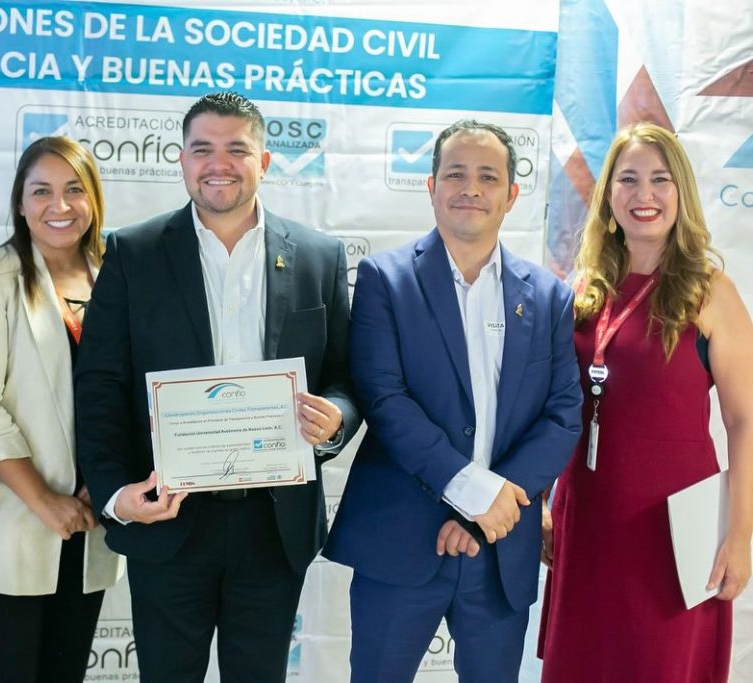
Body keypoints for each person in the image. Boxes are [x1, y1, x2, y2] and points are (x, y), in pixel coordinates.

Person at [74, 91, 360, 682]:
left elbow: (344, 376)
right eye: (202, 149)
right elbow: (100, 385)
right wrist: (114, 494)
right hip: (168, 520)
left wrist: (335, 419)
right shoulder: (133, 253)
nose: (218, 164)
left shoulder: (318, 256)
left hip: (273, 526)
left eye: (237, 149)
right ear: (181, 159)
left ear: (265, 162)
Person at [323, 120, 583, 682]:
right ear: (431, 186)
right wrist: (473, 494)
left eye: (488, 177)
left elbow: (564, 414)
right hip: (401, 542)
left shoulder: (549, 296)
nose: (470, 188)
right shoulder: (384, 279)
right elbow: (385, 400)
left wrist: (488, 511)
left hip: (499, 549)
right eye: (455, 174)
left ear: (511, 194)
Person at [538, 122, 753, 682]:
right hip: (587, 517)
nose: (644, 194)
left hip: (676, 528)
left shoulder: (710, 291)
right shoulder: (584, 290)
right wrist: (542, 500)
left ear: (681, 192)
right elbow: (553, 411)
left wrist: (740, 536)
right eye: (628, 179)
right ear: (609, 196)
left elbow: (744, 421)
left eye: (660, 179)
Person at [0, 136, 123, 681]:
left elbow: (131, 398)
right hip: (8, 528)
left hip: (89, 530)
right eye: (41, 191)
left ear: (93, 199)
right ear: (19, 203)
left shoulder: (118, 279)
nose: (58, 206)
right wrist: (45, 500)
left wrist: (106, 482)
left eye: (74, 190)